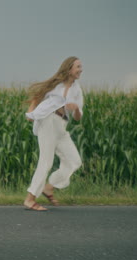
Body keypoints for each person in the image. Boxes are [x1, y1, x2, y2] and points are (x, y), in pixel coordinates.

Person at [24, 56, 84, 211]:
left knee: (74, 161)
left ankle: (49, 187)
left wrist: (76, 108)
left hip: (61, 126)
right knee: (46, 161)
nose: (80, 70)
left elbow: (78, 118)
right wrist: (30, 114)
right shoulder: (55, 85)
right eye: (78, 67)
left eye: (80, 67)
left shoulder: (77, 90)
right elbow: (37, 97)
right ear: (69, 69)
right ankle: (30, 199)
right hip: (49, 121)